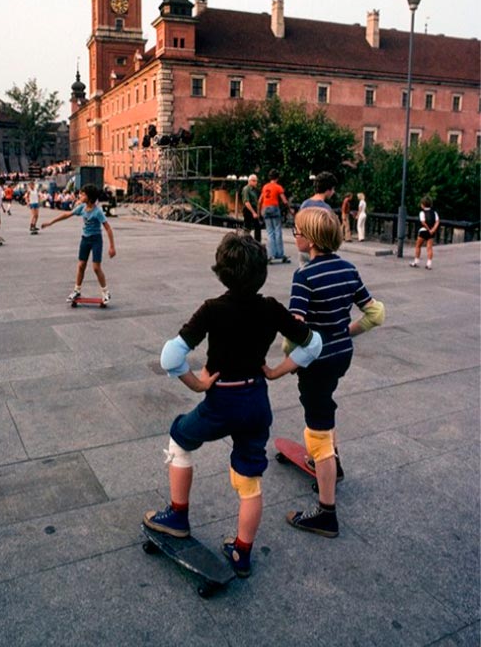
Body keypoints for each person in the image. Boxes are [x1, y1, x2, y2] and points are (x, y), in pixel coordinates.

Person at [143, 232, 322, 577]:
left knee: (180, 438)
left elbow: (171, 357)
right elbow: (313, 345)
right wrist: (276, 371)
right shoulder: (271, 308)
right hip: (256, 400)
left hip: (221, 400)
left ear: (220, 272)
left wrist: (197, 383)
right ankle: (242, 552)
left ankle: (178, 516)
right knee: (249, 475)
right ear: (262, 273)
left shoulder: (212, 310)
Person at [263, 207, 385, 539]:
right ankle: (334, 465)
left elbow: (296, 328)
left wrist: (285, 362)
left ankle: (325, 513)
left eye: (298, 232)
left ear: (313, 239)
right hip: (341, 356)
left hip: (316, 363)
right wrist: (347, 331)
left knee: (316, 428)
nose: (295, 236)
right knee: (326, 407)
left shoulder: (305, 276)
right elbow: (375, 312)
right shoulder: (348, 268)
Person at [41, 184, 116, 304]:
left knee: (96, 268)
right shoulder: (81, 208)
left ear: (90, 197)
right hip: (85, 239)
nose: (80, 195)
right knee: (81, 265)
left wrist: (112, 247)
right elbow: (67, 215)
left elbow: (108, 228)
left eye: (83, 194)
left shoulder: (98, 212)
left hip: (96, 240)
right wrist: (51, 222)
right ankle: (77, 290)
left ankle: (105, 292)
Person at [258, 169, 290, 263]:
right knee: (277, 231)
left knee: (270, 232)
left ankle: (270, 255)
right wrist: (289, 209)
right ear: (277, 178)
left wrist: (259, 212)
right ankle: (280, 254)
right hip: (274, 208)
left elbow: (260, 200)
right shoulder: (278, 187)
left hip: (265, 208)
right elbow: (284, 201)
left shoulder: (265, 187)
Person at [410, 196, 440, 270]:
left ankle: (416, 261)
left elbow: (423, 222)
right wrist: (433, 229)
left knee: (418, 246)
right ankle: (429, 263)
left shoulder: (422, 212)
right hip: (431, 232)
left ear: (423, 204)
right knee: (429, 248)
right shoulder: (434, 212)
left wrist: (428, 229)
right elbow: (437, 221)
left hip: (423, 231)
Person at [241, 174, 261, 242]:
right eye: (253, 181)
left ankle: (257, 242)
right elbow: (246, 202)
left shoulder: (255, 190)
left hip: (254, 209)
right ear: (249, 181)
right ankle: (244, 241)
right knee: (247, 227)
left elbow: (257, 202)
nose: (255, 182)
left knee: (257, 227)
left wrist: (257, 212)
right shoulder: (246, 189)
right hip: (248, 209)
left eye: (256, 181)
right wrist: (253, 212)